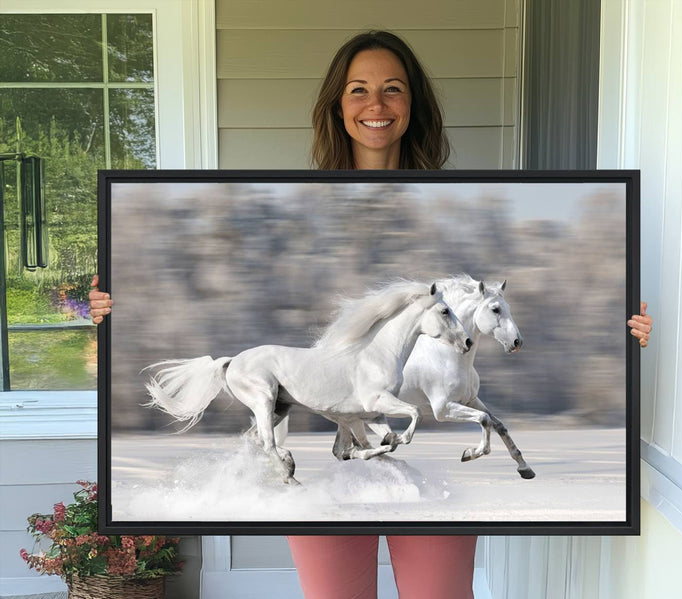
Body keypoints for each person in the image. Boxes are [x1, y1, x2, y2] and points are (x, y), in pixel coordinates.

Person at [89, 30, 653, 599]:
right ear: (338, 105)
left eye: (393, 89)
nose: (376, 105)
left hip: (425, 480)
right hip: (334, 458)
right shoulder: (291, 204)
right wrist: (113, 312)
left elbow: (480, 314)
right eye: (358, 90)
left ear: (414, 105)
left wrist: (626, 329)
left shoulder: (460, 203)